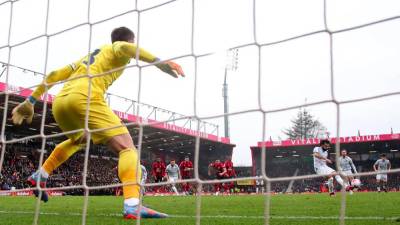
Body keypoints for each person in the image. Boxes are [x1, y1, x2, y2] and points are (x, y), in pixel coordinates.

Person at [11, 26, 184, 219]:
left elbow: (53, 75)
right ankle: (132, 205)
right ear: (131, 41)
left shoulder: (88, 57)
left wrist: (30, 101)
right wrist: (160, 63)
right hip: (85, 97)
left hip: (61, 102)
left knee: (80, 140)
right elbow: (125, 49)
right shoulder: (117, 48)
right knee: (127, 149)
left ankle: (40, 175)